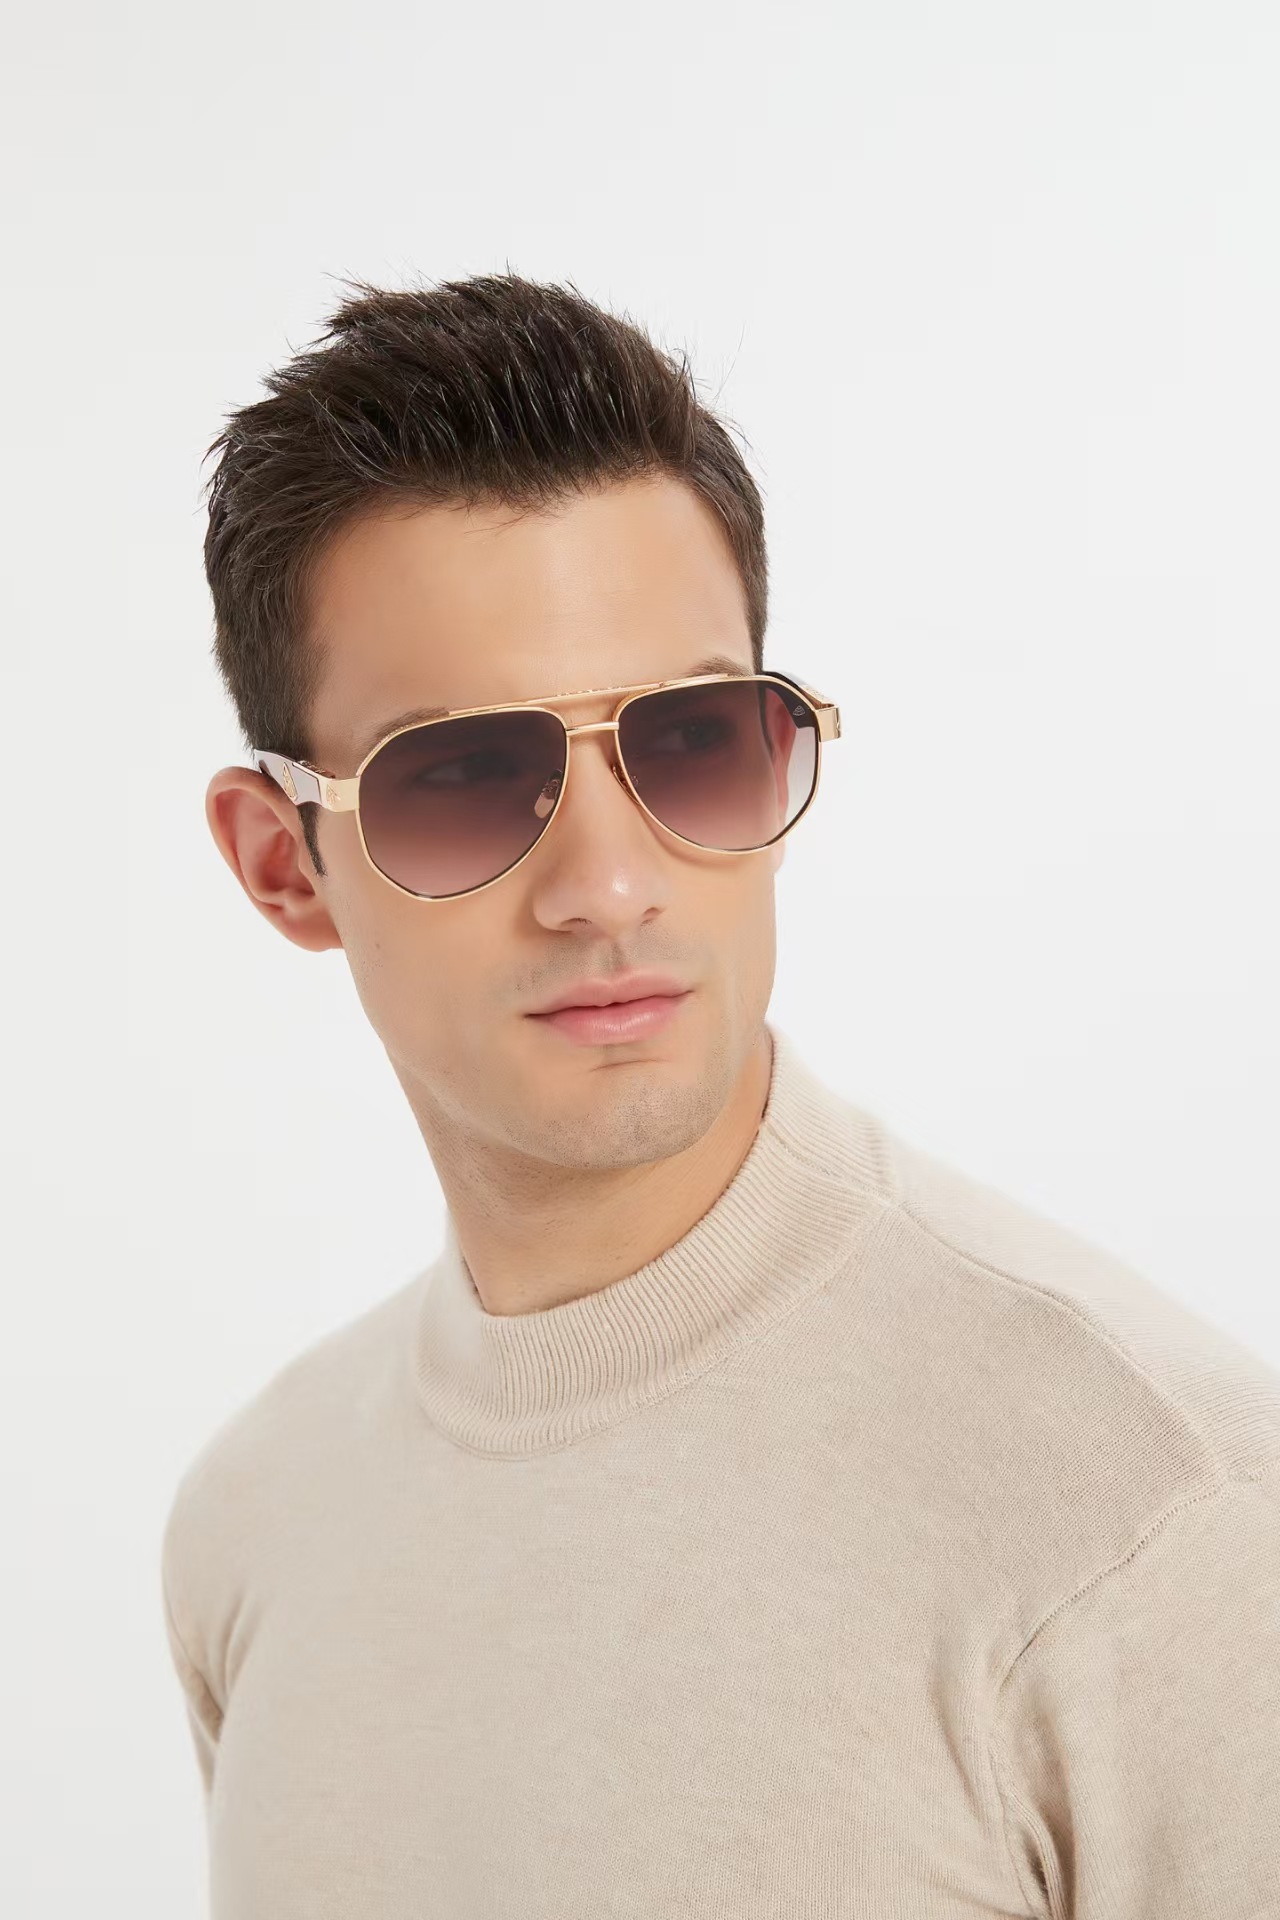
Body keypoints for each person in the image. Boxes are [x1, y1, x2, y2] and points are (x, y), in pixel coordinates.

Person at [161, 272, 1279, 1918]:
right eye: (462, 778)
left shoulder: (1157, 1518)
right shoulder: (257, 1526)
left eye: (691, 741)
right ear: (284, 864)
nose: (609, 887)